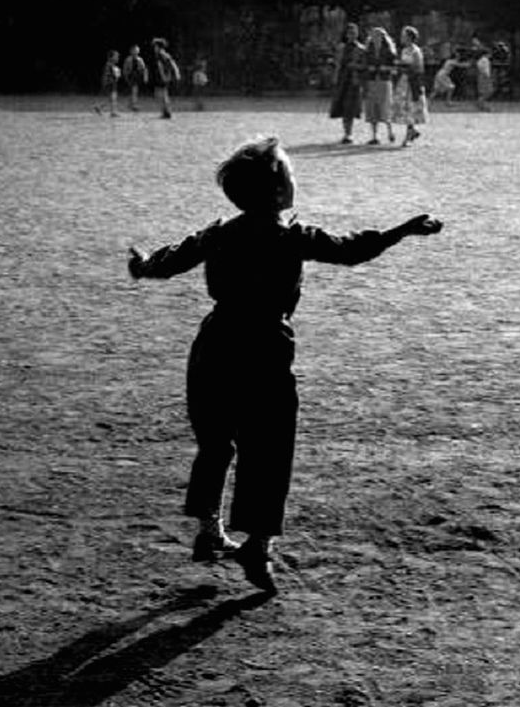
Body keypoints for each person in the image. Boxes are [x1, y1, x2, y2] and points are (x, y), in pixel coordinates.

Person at [127, 137, 442, 593]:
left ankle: (208, 530)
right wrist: (402, 229)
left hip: (215, 344)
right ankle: (257, 545)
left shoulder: (220, 233)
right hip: (266, 349)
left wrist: (141, 265)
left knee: (215, 442)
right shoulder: (293, 237)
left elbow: (172, 259)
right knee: (269, 449)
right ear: (278, 193)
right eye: (291, 174)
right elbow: (352, 249)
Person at [329, 22, 365, 143]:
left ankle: (349, 134)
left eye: (354, 33)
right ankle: (346, 133)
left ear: (357, 34)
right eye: (349, 33)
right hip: (342, 80)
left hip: (353, 81)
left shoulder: (361, 49)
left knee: (351, 108)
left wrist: (355, 66)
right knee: (342, 107)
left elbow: (364, 66)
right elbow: (336, 64)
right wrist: (335, 77)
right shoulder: (341, 48)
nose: (351, 35)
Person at [393, 25, 428, 146]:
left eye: (404, 35)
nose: (401, 37)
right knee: (405, 108)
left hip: (412, 82)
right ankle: (412, 131)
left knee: (411, 108)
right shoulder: (404, 50)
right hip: (404, 81)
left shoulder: (416, 50)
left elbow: (419, 68)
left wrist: (405, 66)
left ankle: (408, 136)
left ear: (409, 37)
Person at [363, 27, 397, 144]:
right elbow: (364, 66)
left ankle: (390, 132)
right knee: (372, 108)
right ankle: (374, 136)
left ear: (383, 37)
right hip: (371, 81)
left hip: (384, 81)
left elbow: (395, 68)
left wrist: (386, 68)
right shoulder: (368, 51)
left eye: (378, 35)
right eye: (373, 35)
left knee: (386, 107)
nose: (375, 37)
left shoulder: (389, 51)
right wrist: (368, 68)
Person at [151, 38, 181, 119]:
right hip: (162, 77)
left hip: (163, 77)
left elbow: (169, 64)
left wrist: (174, 74)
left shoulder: (162, 55)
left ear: (159, 47)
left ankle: (166, 112)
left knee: (162, 95)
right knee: (161, 94)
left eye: (155, 46)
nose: (154, 48)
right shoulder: (162, 54)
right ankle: (166, 112)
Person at [122, 44, 149, 111]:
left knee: (134, 91)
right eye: (134, 50)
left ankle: (132, 105)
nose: (136, 52)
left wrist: (145, 77)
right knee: (133, 91)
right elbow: (125, 69)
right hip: (130, 76)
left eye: (137, 50)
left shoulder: (140, 60)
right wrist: (125, 76)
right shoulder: (128, 59)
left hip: (137, 76)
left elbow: (144, 69)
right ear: (131, 51)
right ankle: (132, 105)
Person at [95, 50, 120, 117]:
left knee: (111, 98)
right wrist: (106, 82)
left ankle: (99, 107)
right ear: (111, 57)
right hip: (110, 83)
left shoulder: (111, 65)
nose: (118, 58)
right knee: (113, 98)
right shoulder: (109, 65)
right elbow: (107, 75)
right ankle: (113, 112)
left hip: (111, 83)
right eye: (116, 56)